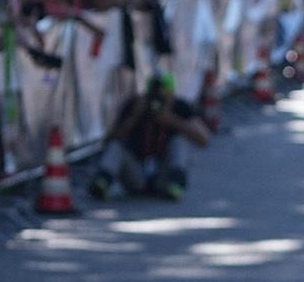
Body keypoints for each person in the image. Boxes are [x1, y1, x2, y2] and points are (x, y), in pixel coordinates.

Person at [89, 67, 212, 200]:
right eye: (155, 94)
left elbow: (204, 139)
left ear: (172, 93)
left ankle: (176, 184)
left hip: (163, 172)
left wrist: (173, 121)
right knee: (117, 146)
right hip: (136, 173)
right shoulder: (136, 105)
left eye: (164, 95)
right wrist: (134, 116)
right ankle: (102, 182)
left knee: (180, 141)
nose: (158, 101)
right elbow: (111, 139)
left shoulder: (180, 107)